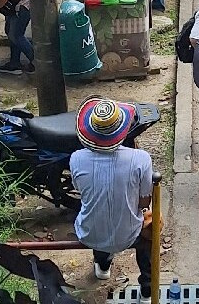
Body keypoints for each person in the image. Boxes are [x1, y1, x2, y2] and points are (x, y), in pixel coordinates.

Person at [71, 98, 154, 304]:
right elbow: (144, 203)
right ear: (123, 129)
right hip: (129, 234)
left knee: (97, 214)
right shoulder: (141, 158)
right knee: (149, 230)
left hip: (89, 233)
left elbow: (82, 192)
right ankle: (147, 289)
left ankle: (103, 264)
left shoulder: (76, 158)